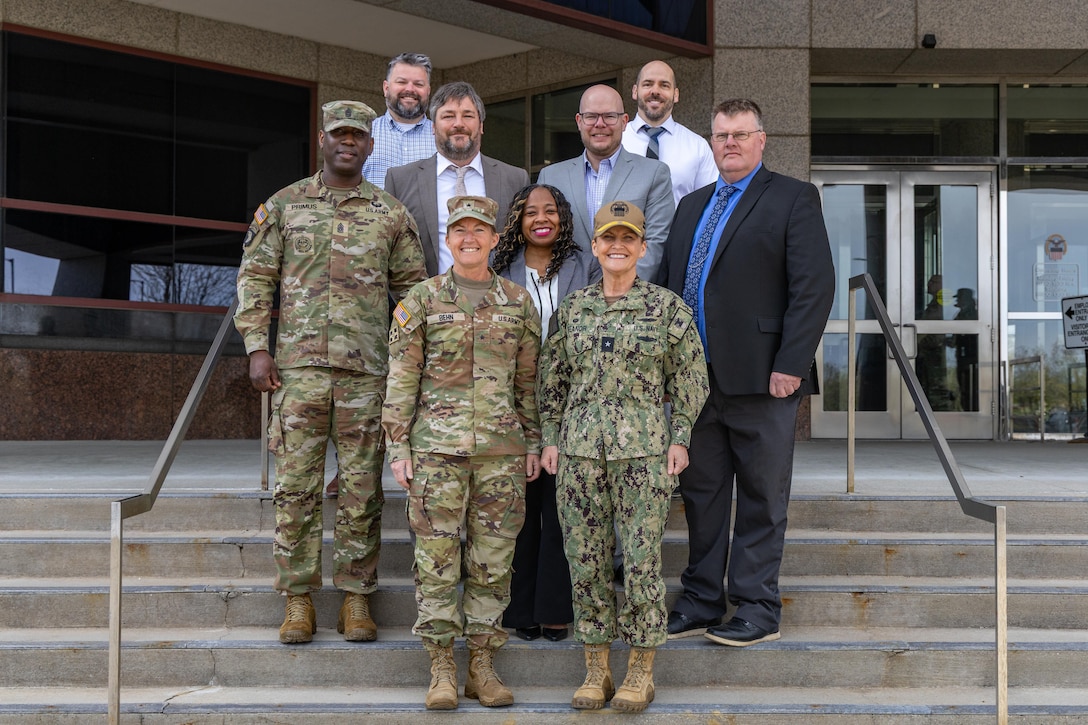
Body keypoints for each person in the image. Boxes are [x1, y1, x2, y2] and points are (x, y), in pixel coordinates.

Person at [234, 100, 427, 645]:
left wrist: (406, 363)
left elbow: (413, 295)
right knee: (295, 489)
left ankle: (356, 599)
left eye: (358, 136)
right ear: (322, 139)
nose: (348, 142)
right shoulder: (286, 205)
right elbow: (255, 277)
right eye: (339, 133)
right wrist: (256, 346)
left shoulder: (390, 215)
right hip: (297, 375)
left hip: (368, 375)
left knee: (363, 490)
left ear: (370, 145)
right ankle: (298, 599)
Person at [655, 98, 834, 647]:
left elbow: (813, 287)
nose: (729, 143)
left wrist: (791, 364)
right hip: (695, 381)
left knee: (760, 495)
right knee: (702, 496)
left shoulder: (793, 198)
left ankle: (757, 605)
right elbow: (668, 287)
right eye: (721, 135)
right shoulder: (692, 206)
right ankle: (704, 598)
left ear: (761, 140)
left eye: (740, 134)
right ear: (711, 143)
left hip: (763, 378)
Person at [538, 201, 708, 713]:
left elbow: (691, 378)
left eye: (627, 239)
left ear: (642, 248)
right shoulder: (573, 310)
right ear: (595, 247)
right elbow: (553, 381)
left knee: (639, 563)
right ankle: (596, 671)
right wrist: (550, 437)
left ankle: (640, 672)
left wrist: (680, 437)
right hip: (580, 453)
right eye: (608, 238)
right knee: (585, 562)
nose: (617, 246)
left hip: (644, 453)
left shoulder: (667, 309)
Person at [381, 196, 542, 711]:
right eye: (459, 230)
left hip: (501, 455)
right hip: (435, 455)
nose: (469, 238)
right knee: (437, 562)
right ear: (447, 241)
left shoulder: (519, 302)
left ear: (495, 240)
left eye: (479, 230)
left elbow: (529, 382)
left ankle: (481, 665)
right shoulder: (421, 300)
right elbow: (402, 378)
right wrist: (397, 445)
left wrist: (534, 442)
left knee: (493, 562)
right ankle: (441, 667)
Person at [493, 183, 601, 643]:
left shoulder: (586, 265)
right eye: (531, 211)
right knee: (519, 508)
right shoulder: (500, 267)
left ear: (563, 217)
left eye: (551, 210)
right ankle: (520, 609)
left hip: (571, 400)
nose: (542, 218)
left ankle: (556, 607)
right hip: (510, 399)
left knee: (562, 507)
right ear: (518, 220)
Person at [385, 81, 529, 276]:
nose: (458, 124)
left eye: (468, 116)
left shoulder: (515, 179)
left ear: (481, 126)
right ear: (433, 127)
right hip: (426, 302)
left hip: (498, 303)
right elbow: (391, 252)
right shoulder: (400, 180)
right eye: (448, 116)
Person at [537, 84, 674, 281]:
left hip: (629, 301)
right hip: (566, 300)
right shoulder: (550, 177)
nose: (600, 124)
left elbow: (657, 243)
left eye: (609, 116)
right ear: (579, 121)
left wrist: (619, 291)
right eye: (591, 116)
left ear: (624, 121)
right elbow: (543, 247)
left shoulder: (654, 174)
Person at [621, 60, 718, 205]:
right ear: (635, 91)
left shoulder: (698, 147)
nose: (655, 91)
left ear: (676, 94)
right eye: (647, 84)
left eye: (664, 85)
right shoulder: (617, 140)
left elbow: (710, 204)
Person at [361, 52, 435, 189]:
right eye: (402, 82)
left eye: (418, 84)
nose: (410, 89)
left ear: (428, 91)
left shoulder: (442, 138)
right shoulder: (364, 133)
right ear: (386, 88)